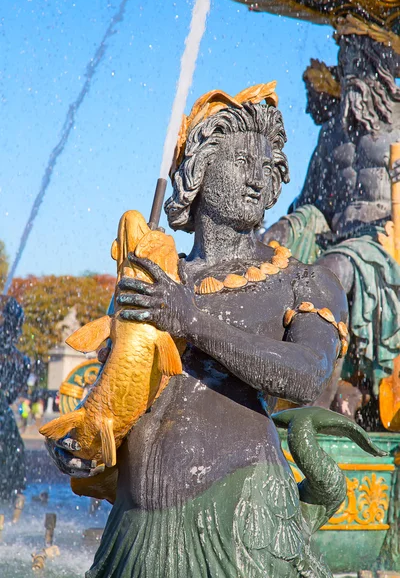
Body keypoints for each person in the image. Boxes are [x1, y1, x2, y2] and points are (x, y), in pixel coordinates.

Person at [45, 84, 376, 577]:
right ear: (199, 167)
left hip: (242, 516)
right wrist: (80, 443)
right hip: (135, 529)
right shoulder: (150, 279)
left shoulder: (304, 282)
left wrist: (193, 321)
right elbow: (114, 395)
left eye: (268, 168)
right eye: (243, 161)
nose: (258, 179)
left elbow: (308, 375)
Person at [263, 16, 400, 421]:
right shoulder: (333, 135)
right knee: (269, 245)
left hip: (385, 242)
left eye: (363, 59)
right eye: (347, 59)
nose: (352, 70)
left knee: (331, 270)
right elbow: (311, 202)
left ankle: (312, 404)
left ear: (385, 66)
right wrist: (285, 229)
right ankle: (253, 380)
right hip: (335, 233)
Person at [0, 295, 30, 500]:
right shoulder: (19, 361)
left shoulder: (19, 361)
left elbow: (10, 395)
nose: (17, 334)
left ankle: (10, 494)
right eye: (14, 328)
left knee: (14, 446)